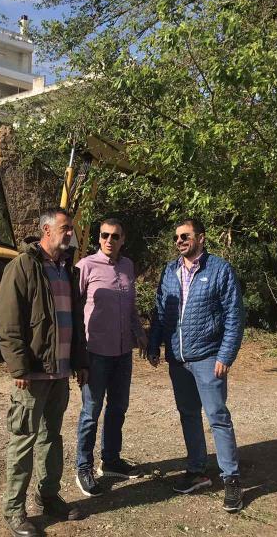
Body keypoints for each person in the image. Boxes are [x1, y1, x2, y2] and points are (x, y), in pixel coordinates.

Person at [0, 207, 90, 537]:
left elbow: (75, 321)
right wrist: (19, 366)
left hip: (59, 372)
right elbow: (8, 322)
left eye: (71, 229)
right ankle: (14, 510)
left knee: (51, 438)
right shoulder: (22, 266)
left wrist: (80, 362)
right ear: (46, 231)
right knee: (23, 440)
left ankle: (48, 496)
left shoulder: (67, 269)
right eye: (66, 228)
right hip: (32, 374)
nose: (71, 234)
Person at [147, 218, 245, 512]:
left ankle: (231, 479)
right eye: (176, 237)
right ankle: (197, 471)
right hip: (178, 360)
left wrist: (225, 355)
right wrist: (154, 344)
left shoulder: (220, 270)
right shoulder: (170, 271)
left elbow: (234, 316)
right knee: (188, 415)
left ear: (201, 238)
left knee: (217, 417)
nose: (179, 241)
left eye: (185, 236)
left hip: (208, 358)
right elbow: (160, 312)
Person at [74, 218, 148, 497]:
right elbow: (73, 309)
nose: (109, 240)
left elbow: (130, 308)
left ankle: (111, 460)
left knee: (118, 408)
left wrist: (139, 333)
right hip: (95, 354)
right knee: (90, 413)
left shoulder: (127, 266)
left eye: (115, 236)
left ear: (122, 239)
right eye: (104, 235)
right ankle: (83, 467)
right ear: (98, 237)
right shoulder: (85, 266)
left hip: (123, 353)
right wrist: (76, 353)